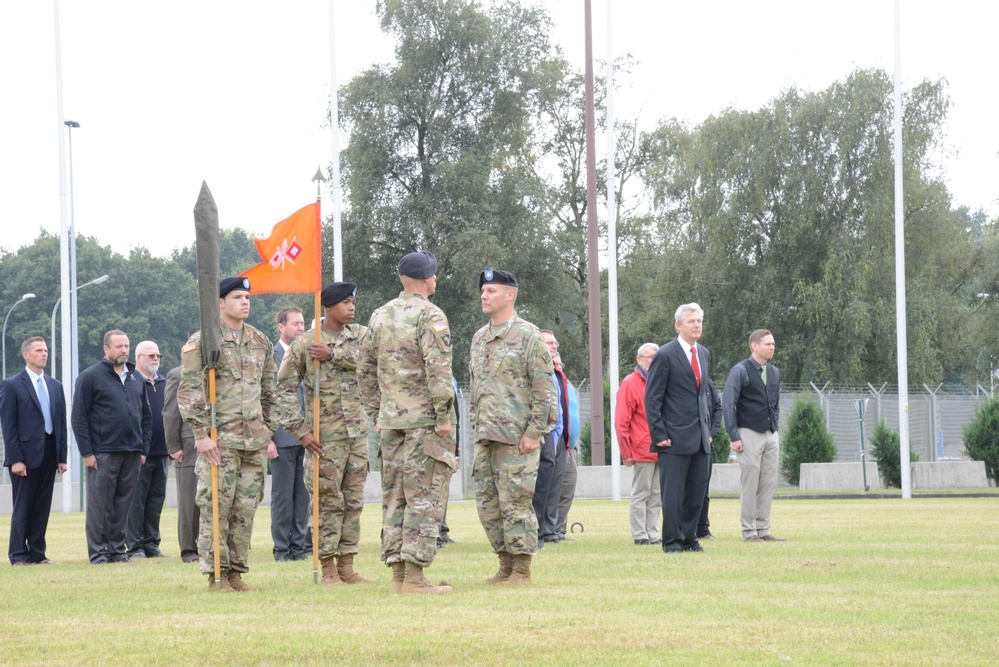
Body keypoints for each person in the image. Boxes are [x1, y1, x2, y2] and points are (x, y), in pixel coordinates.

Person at [357, 252, 456, 594]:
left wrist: (376, 412)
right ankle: (414, 578)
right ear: (428, 279)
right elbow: (438, 370)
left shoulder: (380, 315)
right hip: (424, 422)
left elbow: (364, 369)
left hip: (391, 423)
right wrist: (443, 417)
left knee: (395, 495)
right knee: (423, 495)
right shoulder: (431, 315)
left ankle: (399, 576)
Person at [177, 277, 280, 592]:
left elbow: (270, 390)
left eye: (247, 297)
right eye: (237, 297)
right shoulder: (205, 342)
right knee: (216, 507)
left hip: (253, 442)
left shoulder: (260, 341)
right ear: (220, 303)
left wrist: (268, 430)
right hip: (220, 441)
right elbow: (190, 389)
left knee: (245, 509)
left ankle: (236, 571)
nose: (245, 302)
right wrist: (201, 434)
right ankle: (216, 575)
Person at [278, 282, 371, 584]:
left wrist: (334, 355)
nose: (352, 307)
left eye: (353, 302)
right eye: (345, 302)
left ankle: (347, 565)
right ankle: (328, 566)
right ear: (328, 306)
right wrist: (300, 430)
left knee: (354, 501)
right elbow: (283, 390)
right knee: (328, 500)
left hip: (356, 433)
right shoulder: (305, 343)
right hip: (323, 438)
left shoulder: (361, 336)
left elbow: (374, 366)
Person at [470, 269, 557, 585]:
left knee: (517, 504)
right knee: (489, 507)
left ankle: (521, 569)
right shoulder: (479, 338)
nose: (484, 295)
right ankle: (505, 565)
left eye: (491, 290)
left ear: (510, 295)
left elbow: (545, 390)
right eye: (483, 290)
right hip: (486, 437)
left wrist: (534, 432)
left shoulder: (529, 336)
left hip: (517, 439)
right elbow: (475, 388)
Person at [644, 303, 720, 554]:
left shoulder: (704, 354)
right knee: (673, 494)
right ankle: (673, 541)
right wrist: (659, 434)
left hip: (700, 438)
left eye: (699, 321)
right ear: (678, 325)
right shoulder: (665, 355)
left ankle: (689, 538)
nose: (697, 325)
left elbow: (703, 396)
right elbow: (652, 399)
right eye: (691, 321)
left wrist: (708, 432)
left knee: (696, 493)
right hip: (673, 439)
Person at [72, 330, 151, 564]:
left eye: (126, 346)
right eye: (118, 346)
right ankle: (99, 553)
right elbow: (79, 417)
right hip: (103, 453)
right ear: (106, 349)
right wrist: (87, 452)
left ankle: (118, 551)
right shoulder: (90, 377)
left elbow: (147, 417)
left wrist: (143, 449)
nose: (124, 350)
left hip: (132, 453)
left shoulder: (137, 378)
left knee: (123, 505)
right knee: (100, 506)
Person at [1, 336, 67, 566]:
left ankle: (38, 553)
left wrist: (62, 457)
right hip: (25, 458)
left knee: (42, 506)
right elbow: (8, 427)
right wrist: (15, 459)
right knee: (23, 506)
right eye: (39, 350)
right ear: (26, 355)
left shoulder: (55, 386)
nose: (44, 354)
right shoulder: (11, 385)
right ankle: (18, 555)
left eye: (46, 350)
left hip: (49, 454)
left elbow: (60, 423)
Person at [722, 329, 785, 543]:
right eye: (767, 344)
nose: (772, 347)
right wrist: (734, 435)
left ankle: (763, 529)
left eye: (773, 344)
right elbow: (729, 403)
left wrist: (774, 425)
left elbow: (775, 403)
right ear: (754, 346)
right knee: (750, 484)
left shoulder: (774, 372)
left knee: (768, 482)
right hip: (748, 433)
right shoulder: (740, 371)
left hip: (770, 433)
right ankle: (749, 531)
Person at [269, 306, 312, 563]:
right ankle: (281, 549)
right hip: (282, 438)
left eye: (302, 323)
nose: (300, 327)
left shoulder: (308, 355)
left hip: (306, 437)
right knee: (283, 496)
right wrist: (268, 438)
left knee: (303, 495)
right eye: (295, 323)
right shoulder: (270, 356)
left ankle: (299, 547)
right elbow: (266, 398)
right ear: (281, 327)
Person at [125, 341, 170, 559]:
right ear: (139, 358)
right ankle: (134, 546)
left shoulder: (164, 382)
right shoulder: (131, 381)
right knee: (136, 501)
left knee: (155, 501)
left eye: (158, 355)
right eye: (151, 355)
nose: (155, 359)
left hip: (162, 451)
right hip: (139, 453)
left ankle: (152, 543)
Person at [616, 342, 661, 546]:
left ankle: (653, 533)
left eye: (656, 356)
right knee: (641, 493)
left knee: (657, 495)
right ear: (639, 359)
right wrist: (626, 451)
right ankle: (639, 534)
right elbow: (621, 421)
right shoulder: (630, 383)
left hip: (662, 447)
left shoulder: (661, 380)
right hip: (642, 448)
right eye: (649, 356)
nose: (653, 360)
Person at [164, 335, 200, 564]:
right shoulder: (179, 374)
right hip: (189, 446)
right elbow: (170, 413)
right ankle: (189, 550)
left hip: (218, 444)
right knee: (190, 502)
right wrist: (174, 446)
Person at [532, 330, 565, 548]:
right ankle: (536, 534)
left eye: (555, 343)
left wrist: (558, 435)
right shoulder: (536, 369)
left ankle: (544, 533)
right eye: (548, 343)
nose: (554, 346)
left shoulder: (555, 373)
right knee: (534, 489)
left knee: (548, 488)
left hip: (555, 435)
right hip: (539, 434)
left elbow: (559, 408)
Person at [554, 352, 580, 542]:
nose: (558, 364)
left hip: (571, 446)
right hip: (556, 443)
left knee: (567, 489)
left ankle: (559, 530)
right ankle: (548, 530)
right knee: (553, 490)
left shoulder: (567, 383)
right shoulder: (547, 381)